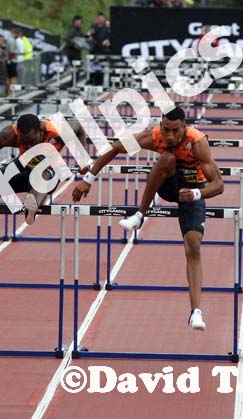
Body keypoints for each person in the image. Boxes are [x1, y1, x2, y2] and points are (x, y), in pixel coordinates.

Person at [71, 107, 224, 331]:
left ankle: (195, 312)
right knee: (167, 158)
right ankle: (140, 215)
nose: (170, 136)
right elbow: (115, 148)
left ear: (184, 128)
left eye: (175, 131)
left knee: (193, 245)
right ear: (161, 126)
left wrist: (196, 194)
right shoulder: (155, 137)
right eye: (166, 130)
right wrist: (89, 178)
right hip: (168, 185)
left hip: (192, 190)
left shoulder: (197, 142)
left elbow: (218, 184)